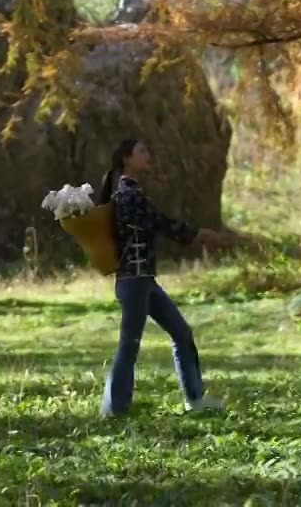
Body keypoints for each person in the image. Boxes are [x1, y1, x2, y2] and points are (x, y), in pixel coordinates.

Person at [95, 138, 229, 417]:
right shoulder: (128, 195)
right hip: (133, 281)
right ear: (127, 159)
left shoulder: (132, 193)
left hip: (144, 280)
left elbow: (159, 223)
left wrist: (196, 235)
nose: (148, 154)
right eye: (142, 151)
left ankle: (195, 399)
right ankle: (113, 409)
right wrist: (199, 236)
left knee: (181, 333)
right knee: (129, 344)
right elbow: (162, 223)